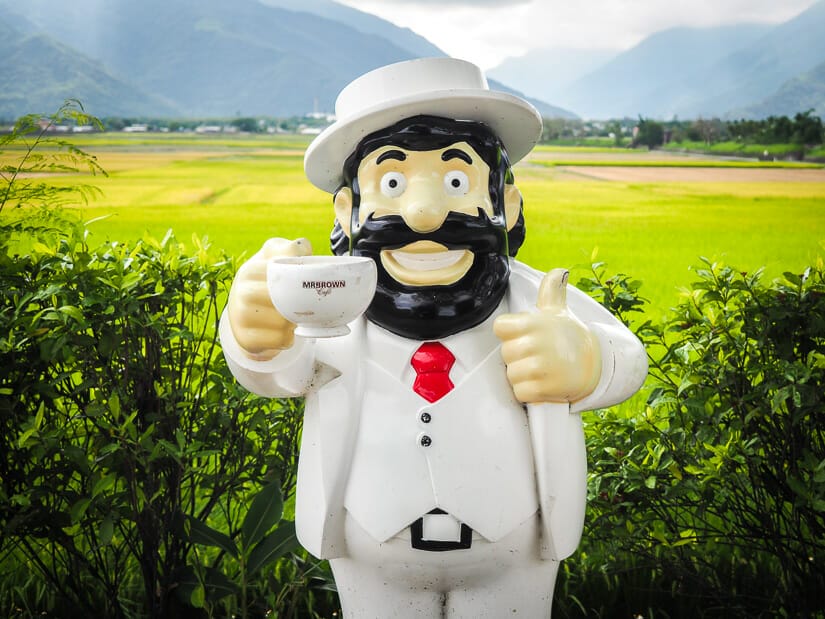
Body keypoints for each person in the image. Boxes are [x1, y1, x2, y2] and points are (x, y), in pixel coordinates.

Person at [220, 57, 647, 618]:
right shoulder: (329, 303)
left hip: (512, 551)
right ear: (348, 214)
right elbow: (282, 369)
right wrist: (256, 335)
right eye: (391, 184)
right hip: (370, 549)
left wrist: (588, 360)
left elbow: (626, 355)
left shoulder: (540, 299)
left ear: (504, 204)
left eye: (455, 181)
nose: (423, 214)